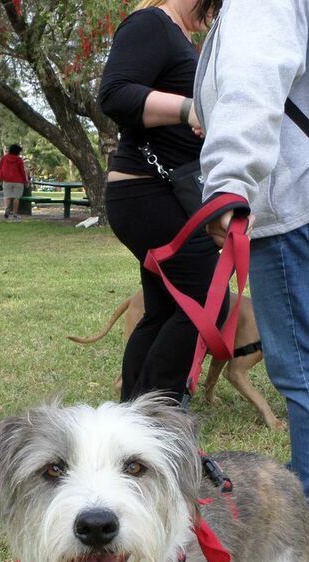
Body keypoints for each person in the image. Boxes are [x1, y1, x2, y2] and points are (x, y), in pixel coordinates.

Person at [194, 0, 309, 545]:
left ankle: (308, 520)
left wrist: (229, 180)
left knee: (304, 369)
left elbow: (255, 76)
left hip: (299, 200)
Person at [98, 0, 227, 403]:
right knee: (207, 300)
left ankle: (133, 415)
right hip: (146, 192)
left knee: (166, 307)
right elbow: (115, 94)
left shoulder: (183, 38)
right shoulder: (151, 23)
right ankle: (156, 418)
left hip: (161, 193)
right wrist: (190, 108)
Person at [0, 145, 29, 221]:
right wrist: (25, 181)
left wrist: (0, 177)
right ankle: (15, 214)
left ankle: (7, 209)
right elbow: (22, 171)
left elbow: (0, 168)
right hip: (18, 181)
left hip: (7, 180)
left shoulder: (4, 158)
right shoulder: (19, 160)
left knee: (7, 196)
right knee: (16, 198)